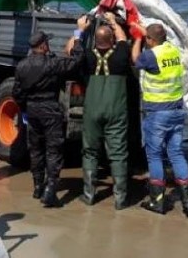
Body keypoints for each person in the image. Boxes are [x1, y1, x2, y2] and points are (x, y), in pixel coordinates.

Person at [12, 17, 87, 208]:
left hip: (33, 111)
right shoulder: (52, 64)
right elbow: (77, 60)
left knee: (35, 149)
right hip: (50, 111)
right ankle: (50, 191)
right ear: (44, 46)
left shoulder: (21, 66)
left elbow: (17, 94)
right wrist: (78, 35)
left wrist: (24, 111)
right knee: (53, 151)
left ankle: (38, 186)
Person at [131, 22, 188, 218]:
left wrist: (137, 38)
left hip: (158, 113)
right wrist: (148, 36)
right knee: (176, 153)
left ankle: (157, 201)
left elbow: (136, 60)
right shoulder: (173, 51)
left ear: (150, 40)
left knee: (154, 155)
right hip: (177, 110)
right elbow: (156, 42)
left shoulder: (151, 56)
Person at [77, 12, 132, 210]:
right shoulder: (121, 54)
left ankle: (89, 195)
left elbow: (71, 50)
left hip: (93, 109)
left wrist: (80, 30)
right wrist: (112, 21)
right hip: (116, 109)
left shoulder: (88, 56)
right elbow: (123, 38)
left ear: (96, 41)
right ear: (111, 41)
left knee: (90, 151)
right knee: (117, 152)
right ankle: (120, 198)